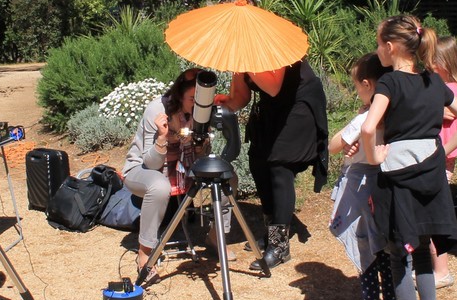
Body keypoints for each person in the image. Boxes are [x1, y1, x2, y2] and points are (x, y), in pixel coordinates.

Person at [361, 15, 457, 300]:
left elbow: (369, 127)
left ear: (391, 46)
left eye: (379, 42)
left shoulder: (389, 83)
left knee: (400, 257)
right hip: (430, 175)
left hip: (397, 179)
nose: (378, 49)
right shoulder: (433, 81)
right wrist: (440, 151)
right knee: (425, 256)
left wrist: (375, 157)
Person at [218, 59, 329, 269]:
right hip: (273, 107)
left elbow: (273, 86)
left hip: (299, 103)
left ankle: (280, 246)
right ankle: (271, 234)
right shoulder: (240, 50)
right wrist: (223, 102)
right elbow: (241, 97)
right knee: (258, 161)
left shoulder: (268, 47)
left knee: (280, 165)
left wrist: (246, 62)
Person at [123, 69, 231, 280]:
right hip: (145, 169)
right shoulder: (157, 109)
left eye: (200, 100)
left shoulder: (200, 112)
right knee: (159, 186)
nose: (196, 104)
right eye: (192, 99)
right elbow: (151, 163)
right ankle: (145, 254)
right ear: (179, 95)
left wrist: (201, 147)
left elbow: (202, 157)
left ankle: (216, 238)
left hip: (183, 168)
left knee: (227, 178)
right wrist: (162, 138)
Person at [327, 53, 396, 300]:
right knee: (385, 251)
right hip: (386, 185)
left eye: (357, 85)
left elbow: (333, 145)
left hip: (361, 187)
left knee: (364, 249)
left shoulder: (367, 117)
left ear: (367, 85)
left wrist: (351, 126)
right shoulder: (395, 113)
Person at [430, 35, 457, 288]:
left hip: (440, 158)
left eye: (434, 59)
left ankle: (441, 270)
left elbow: (450, 117)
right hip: (443, 157)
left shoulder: (450, 90)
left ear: (445, 61)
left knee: (434, 212)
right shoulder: (450, 87)